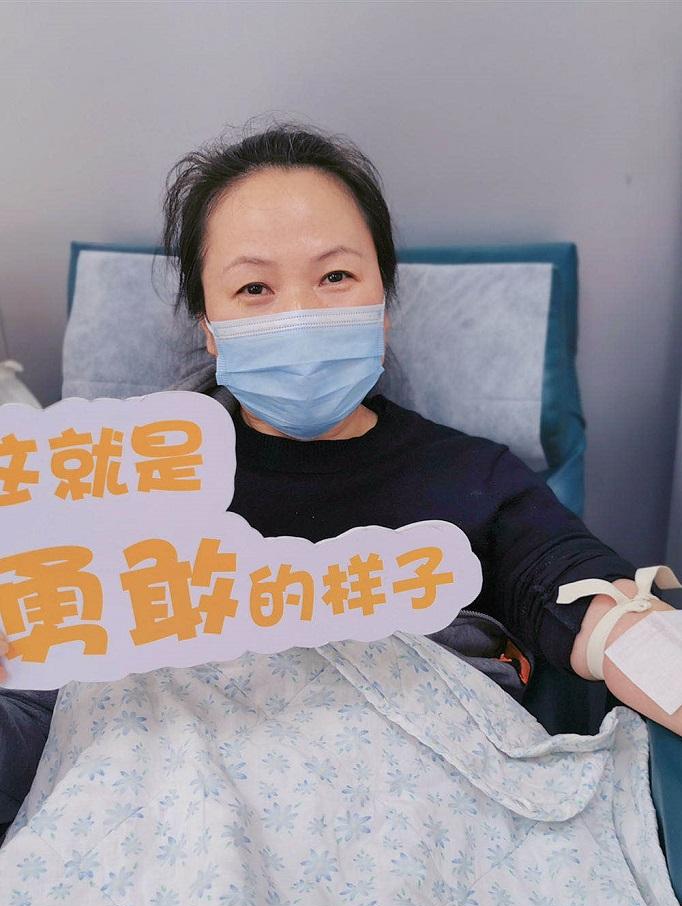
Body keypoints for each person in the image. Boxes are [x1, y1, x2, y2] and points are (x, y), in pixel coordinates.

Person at [0, 118, 679, 844]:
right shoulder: (119, 493)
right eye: (254, 287)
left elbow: (590, 602)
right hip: (174, 840)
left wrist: (651, 647)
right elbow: (46, 726)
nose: (299, 315)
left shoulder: (473, 476)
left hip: (414, 838)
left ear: (382, 299)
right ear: (209, 326)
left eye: (335, 277)